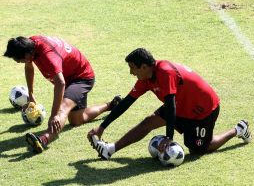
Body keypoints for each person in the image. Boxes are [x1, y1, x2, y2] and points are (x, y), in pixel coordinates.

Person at [87, 48, 252, 160]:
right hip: (180, 106)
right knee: (149, 122)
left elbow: (171, 104)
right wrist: (102, 126)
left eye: (133, 68)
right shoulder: (145, 78)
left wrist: (169, 138)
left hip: (202, 109)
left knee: (198, 149)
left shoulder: (165, 72)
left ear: (144, 67)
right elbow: (126, 103)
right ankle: (110, 149)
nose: (131, 73)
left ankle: (238, 129)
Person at [3, 35, 121, 154]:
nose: (17, 61)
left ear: (28, 54)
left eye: (18, 59)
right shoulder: (30, 45)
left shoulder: (48, 56)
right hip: (70, 76)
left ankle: (43, 140)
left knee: (62, 110)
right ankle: (111, 105)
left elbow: (60, 83)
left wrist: (54, 115)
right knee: (76, 120)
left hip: (81, 78)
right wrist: (31, 94)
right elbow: (29, 67)